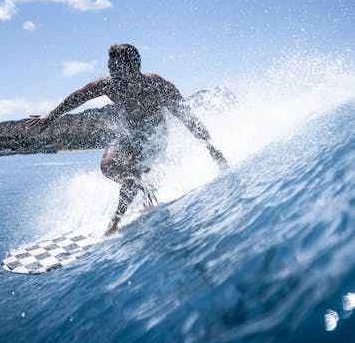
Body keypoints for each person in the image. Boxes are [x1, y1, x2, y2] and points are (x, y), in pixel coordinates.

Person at [29, 44, 228, 235]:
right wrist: (50, 116)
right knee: (108, 166)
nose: (114, 76)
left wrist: (212, 149)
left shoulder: (158, 86)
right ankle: (141, 186)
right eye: (110, 70)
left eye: (118, 70)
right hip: (127, 134)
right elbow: (77, 98)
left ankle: (115, 221)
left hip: (154, 137)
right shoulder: (108, 85)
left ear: (134, 68)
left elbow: (189, 119)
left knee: (133, 168)